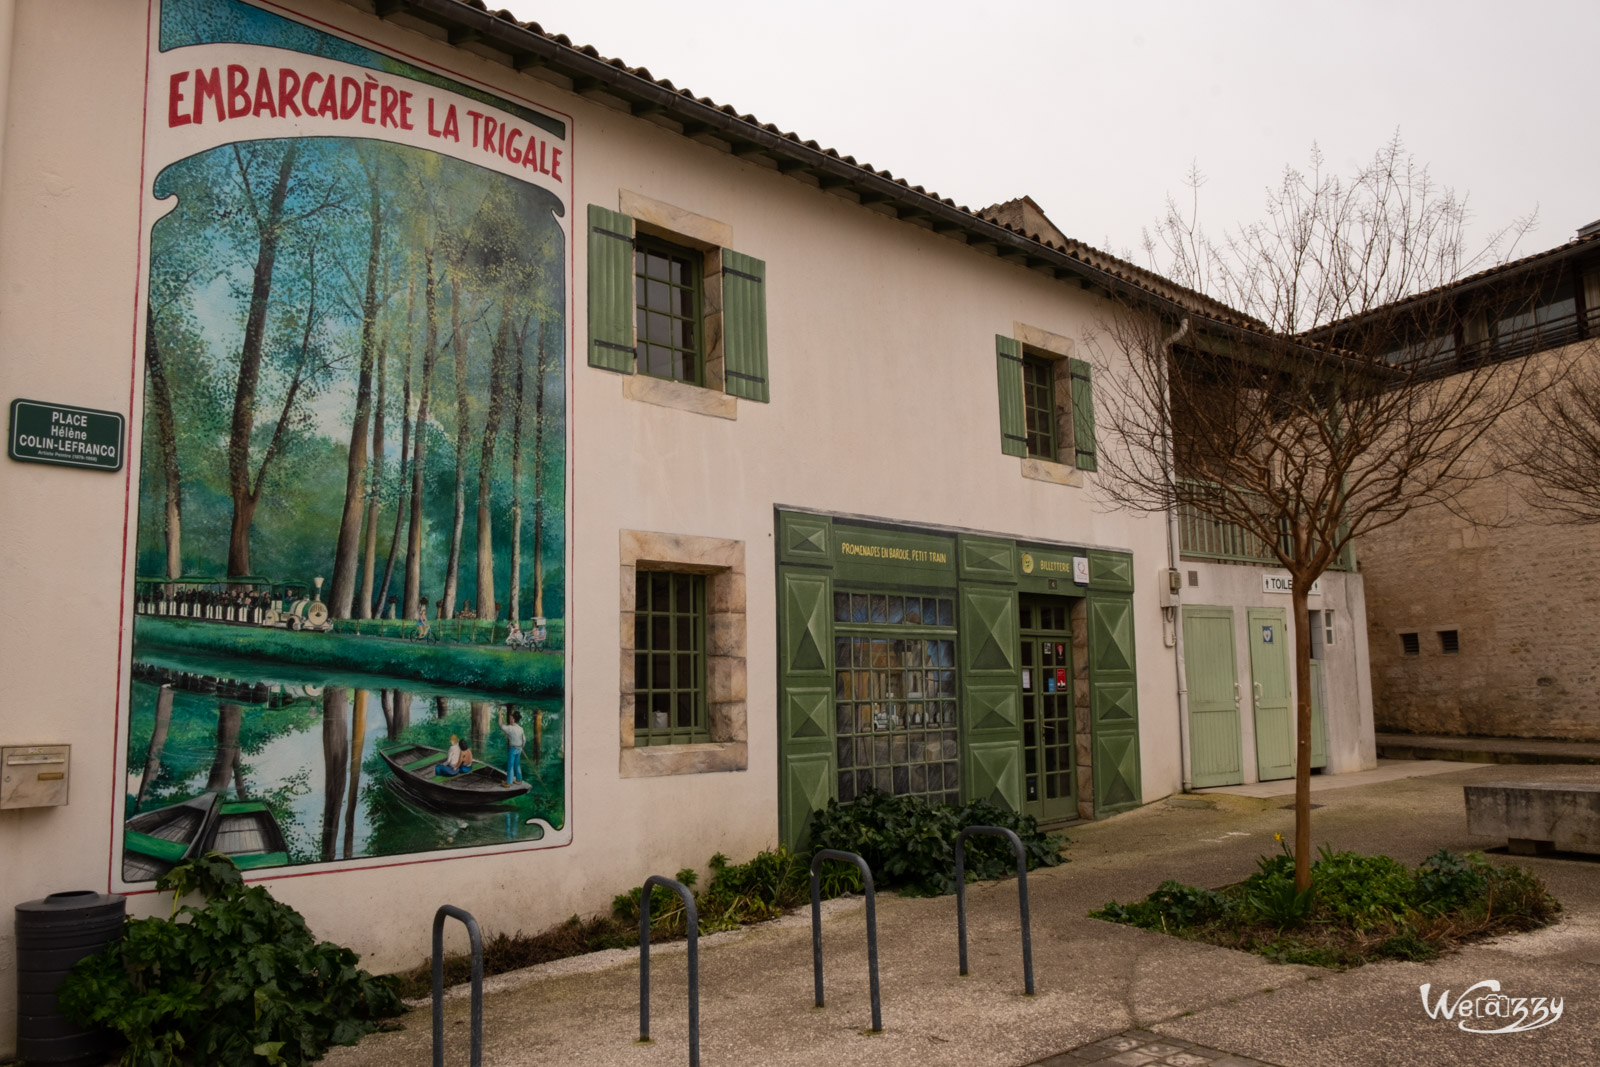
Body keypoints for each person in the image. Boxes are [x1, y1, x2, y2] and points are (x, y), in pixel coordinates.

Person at [501, 708, 526, 785]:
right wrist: (522, 747)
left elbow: (501, 726)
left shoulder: (510, 728)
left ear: (514, 719)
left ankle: (509, 782)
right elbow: (524, 740)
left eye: (511, 718)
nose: (510, 720)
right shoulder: (521, 729)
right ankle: (519, 780)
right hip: (519, 749)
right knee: (517, 765)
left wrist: (500, 716)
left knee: (510, 766)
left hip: (513, 749)